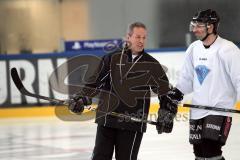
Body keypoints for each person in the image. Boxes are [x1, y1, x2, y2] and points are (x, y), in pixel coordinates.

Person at [67, 22, 175, 160]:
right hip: (107, 119)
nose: (141, 41)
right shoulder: (111, 58)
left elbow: (165, 92)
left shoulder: (152, 65)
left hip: (133, 123)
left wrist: (167, 112)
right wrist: (81, 98)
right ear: (128, 37)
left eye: (144, 38)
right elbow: (94, 83)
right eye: (138, 37)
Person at [160, 9, 240, 160]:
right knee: (199, 154)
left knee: (211, 151)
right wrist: (175, 94)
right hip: (197, 109)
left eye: (199, 26)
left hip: (219, 110)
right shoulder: (193, 48)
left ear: (211, 27)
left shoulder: (228, 50)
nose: (194, 30)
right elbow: (187, 80)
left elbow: (239, 79)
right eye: (193, 25)